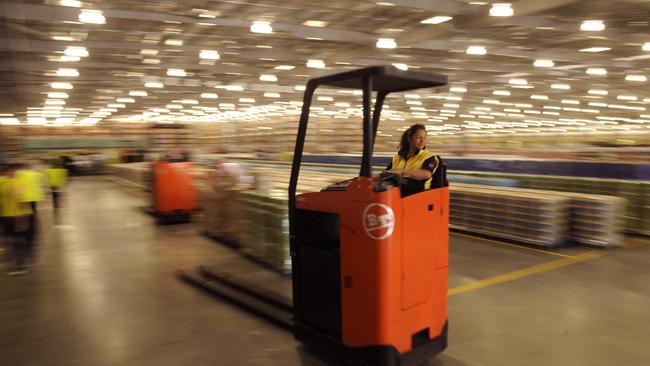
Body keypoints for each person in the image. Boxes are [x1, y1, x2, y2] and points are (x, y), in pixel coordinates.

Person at [382, 123, 447, 197]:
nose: (422, 141)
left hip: (419, 198)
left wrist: (402, 171)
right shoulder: (397, 158)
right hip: (396, 196)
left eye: (424, 138)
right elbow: (386, 174)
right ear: (410, 138)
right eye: (418, 137)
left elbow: (426, 174)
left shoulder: (430, 158)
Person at [0, 163, 33, 275]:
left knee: (16, 241)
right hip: (7, 216)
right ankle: (20, 264)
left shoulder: (14, 184)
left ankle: (21, 266)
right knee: (12, 241)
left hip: (16, 216)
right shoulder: (4, 183)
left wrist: (22, 220)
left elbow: (21, 202)